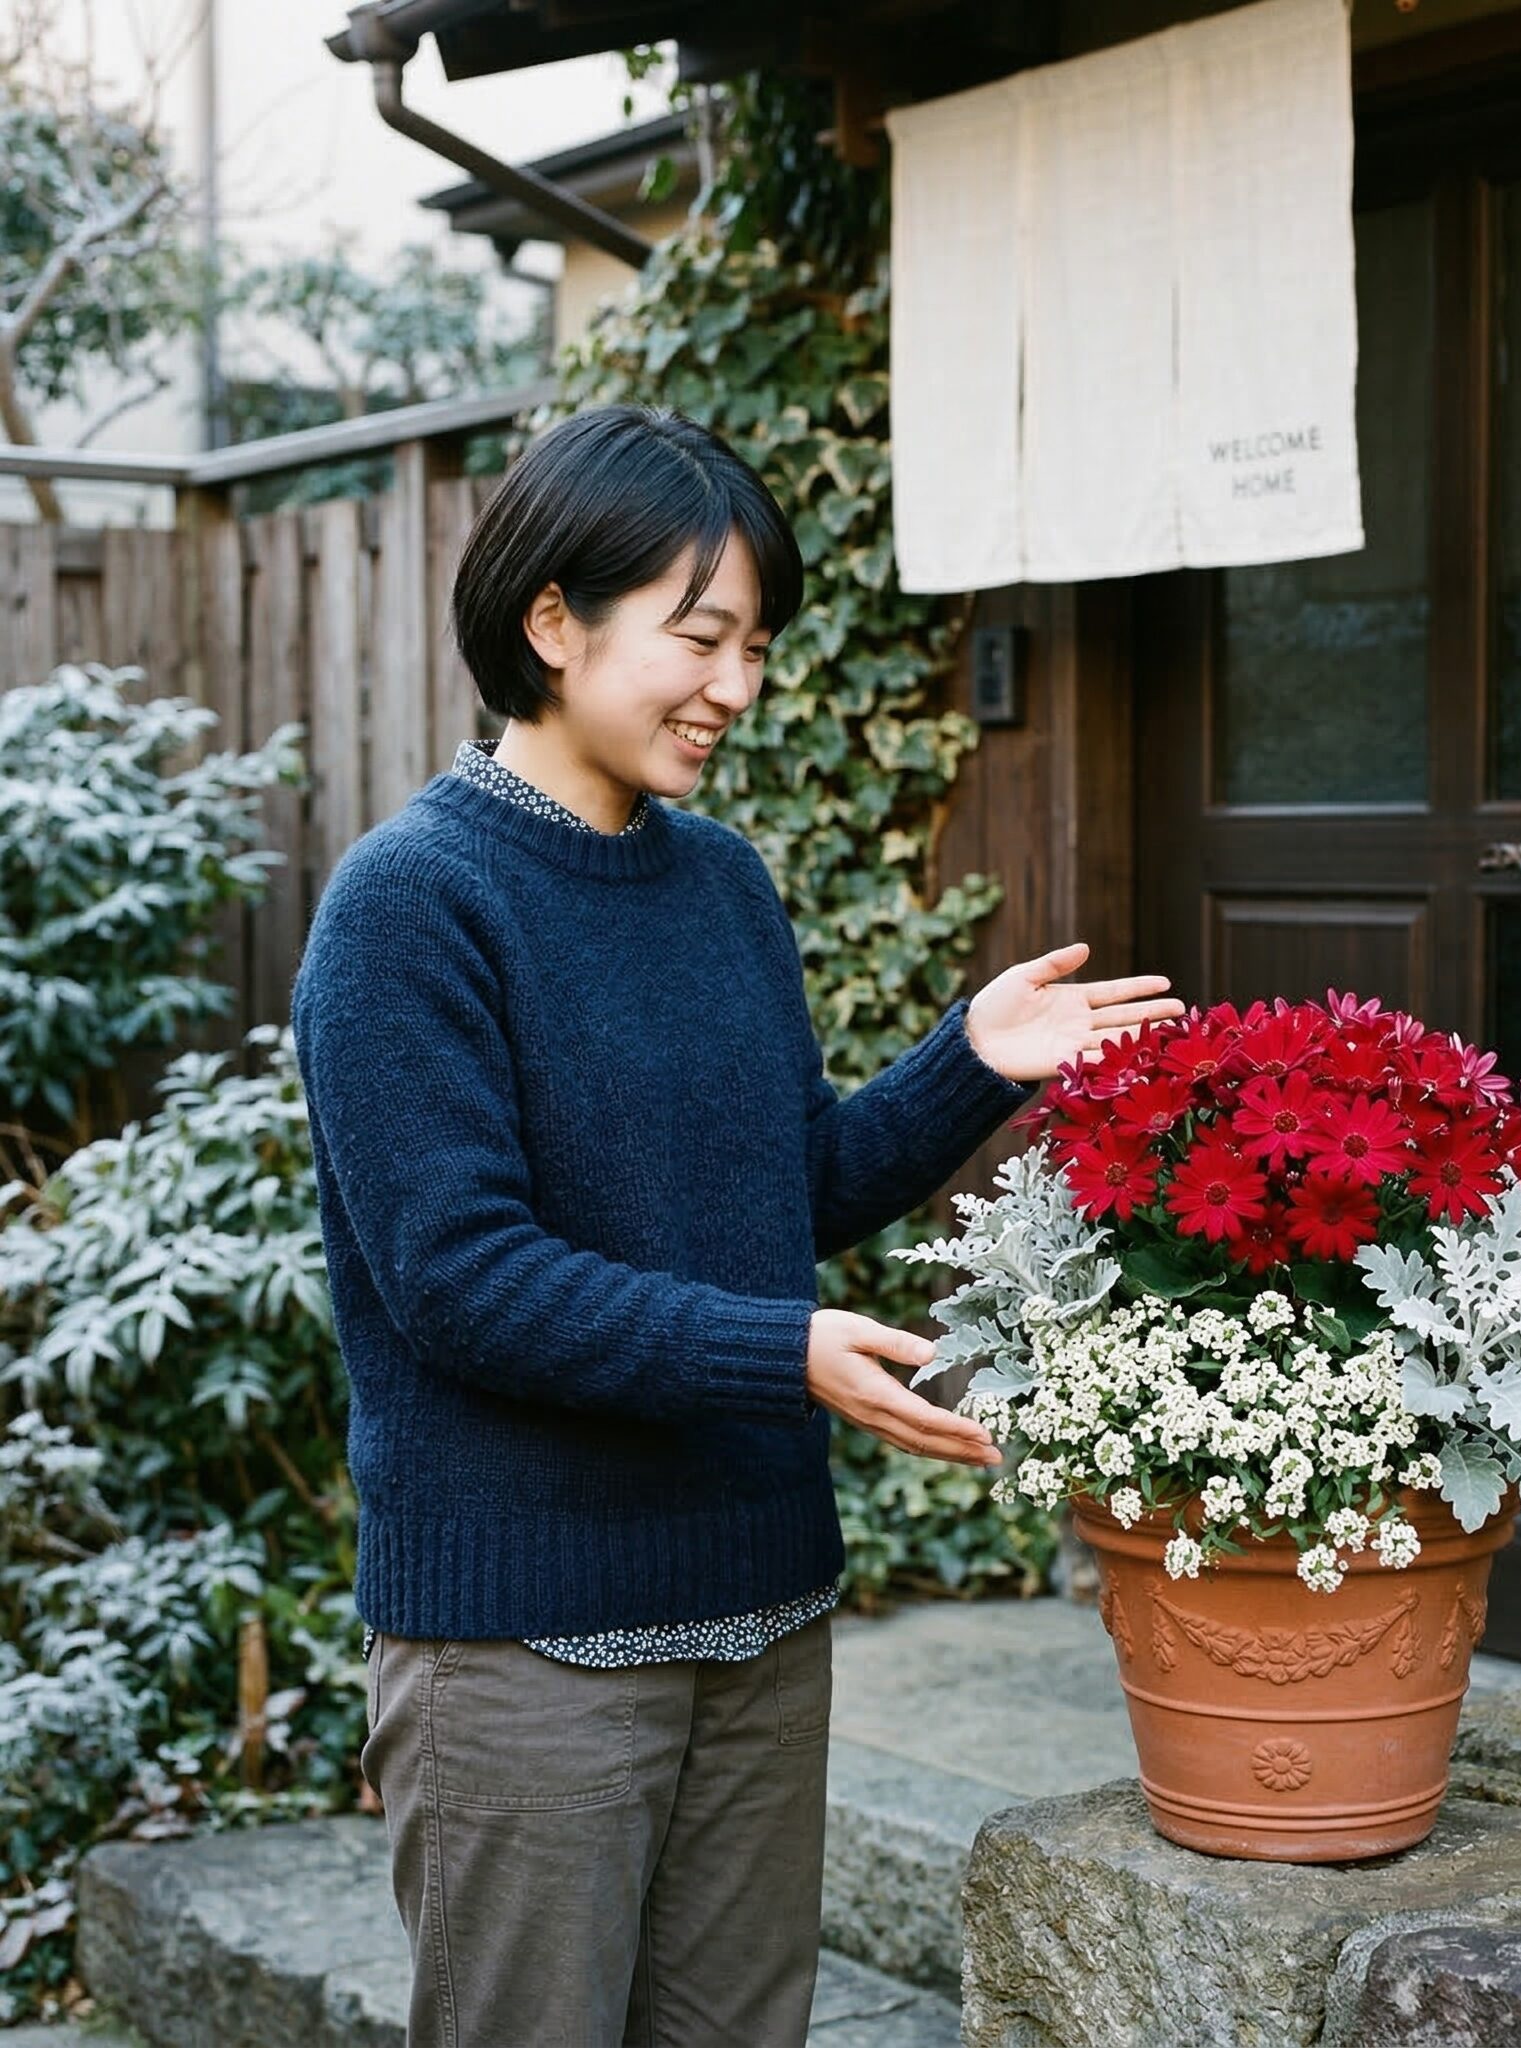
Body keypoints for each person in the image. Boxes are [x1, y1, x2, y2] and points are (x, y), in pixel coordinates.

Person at [288, 403, 1182, 2046]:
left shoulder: (722, 883)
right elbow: (461, 1282)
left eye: (755, 645)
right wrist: (786, 1354)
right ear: (552, 620)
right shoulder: (409, 903)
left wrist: (969, 1063)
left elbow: (794, 1196)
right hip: (527, 1641)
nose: (736, 687)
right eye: (699, 637)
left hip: (762, 1615)